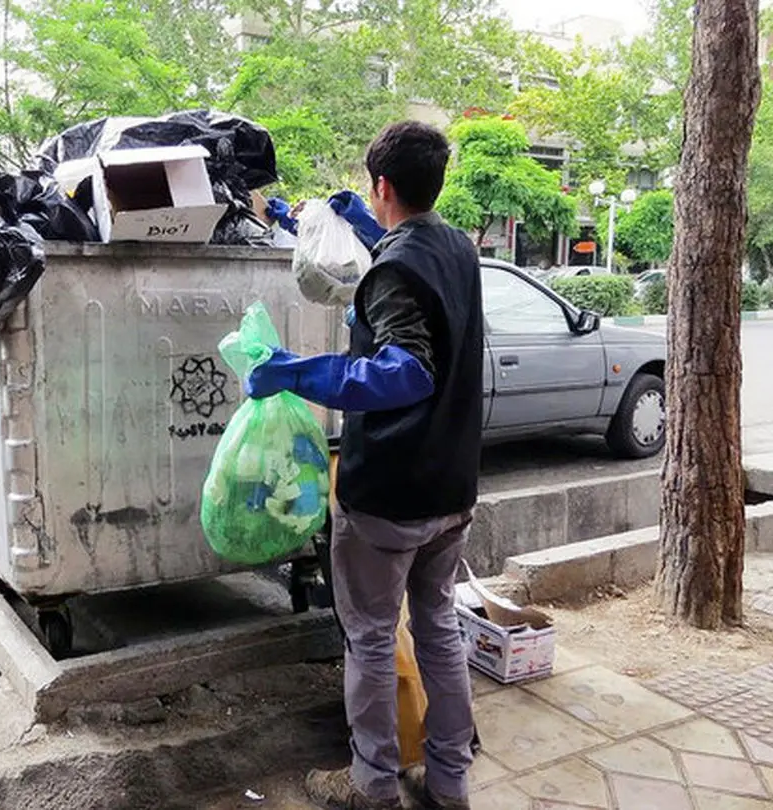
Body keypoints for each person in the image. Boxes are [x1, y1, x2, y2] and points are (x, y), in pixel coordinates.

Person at [246, 121, 482, 810]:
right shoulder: (458, 248)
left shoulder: (394, 268)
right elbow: (421, 295)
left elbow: (406, 369)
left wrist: (299, 373)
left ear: (382, 185)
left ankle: (372, 784)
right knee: (438, 628)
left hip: (391, 496)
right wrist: (367, 229)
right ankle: (449, 781)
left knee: (373, 639)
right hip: (453, 489)